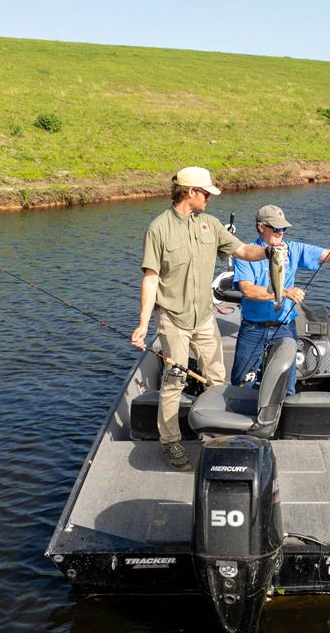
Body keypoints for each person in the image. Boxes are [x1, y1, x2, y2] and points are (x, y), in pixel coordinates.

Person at [131, 166, 269, 471]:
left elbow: (244, 250)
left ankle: (216, 437)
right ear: (190, 192)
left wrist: (269, 252)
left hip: (205, 318)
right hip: (173, 320)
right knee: (174, 382)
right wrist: (143, 323)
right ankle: (170, 443)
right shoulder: (158, 229)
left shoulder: (211, 224)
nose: (209, 198)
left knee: (217, 379)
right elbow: (150, 279)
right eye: (205, 193)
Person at [230, 205, 330, 396]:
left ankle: (283, 418)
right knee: (241, 382)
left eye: (284, 229)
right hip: (253, 329)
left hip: (285, 328)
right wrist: (285, 293)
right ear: (261, 227)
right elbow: (248, 291)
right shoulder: (245, 254)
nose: (281, 232)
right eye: (276, 228)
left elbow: (328, 254)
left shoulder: (294, 249)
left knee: (287, 383)